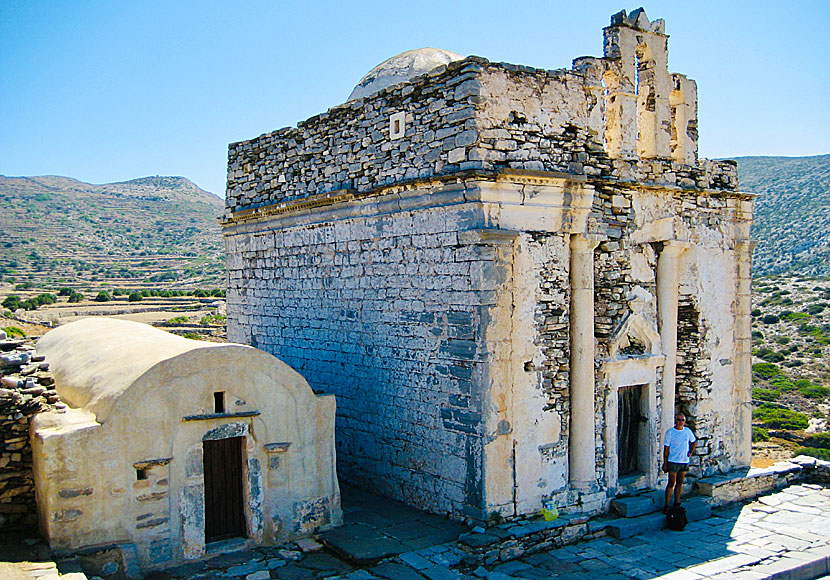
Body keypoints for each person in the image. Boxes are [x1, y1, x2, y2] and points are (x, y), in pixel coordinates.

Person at [662, 413, 696, 513]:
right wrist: (665, 462)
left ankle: (676, 502)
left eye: (682, 420)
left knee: (680, 482)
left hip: (684, 461)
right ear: (675, 420)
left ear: (684, 422)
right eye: (679, 420)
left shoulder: (687, 431)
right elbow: (666, 448)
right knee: (671, 482)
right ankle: (667, 505)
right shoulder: (670, 432)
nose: (680, 422)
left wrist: (690, 452)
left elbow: (693, 441)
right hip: (673, 460)